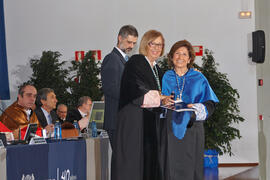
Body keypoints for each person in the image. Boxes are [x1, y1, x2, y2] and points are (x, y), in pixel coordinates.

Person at [112, 30, 171, 180]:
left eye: (160, 45)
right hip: (134, 120)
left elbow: (167, 89)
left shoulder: (156, 68)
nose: (157, 48)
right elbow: (137, 89)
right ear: (145, 44)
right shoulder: (137, 61)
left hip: (148, 121)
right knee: (132, 163)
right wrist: (161, 98)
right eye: (153, 44)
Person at [161, 40, 219, 180]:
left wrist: (195, 109)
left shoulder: (199, 77)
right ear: (171, 56)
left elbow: (211, 103)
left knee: (191, 167)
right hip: (170, 129)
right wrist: (163, 101)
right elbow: (160, 100)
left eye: (184, 54)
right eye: (177, 53)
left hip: (192, 128)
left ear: (190, 58)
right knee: (171, 166)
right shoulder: (166, 77)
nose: (180, 57)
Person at [101, 25, 138, 149]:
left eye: (134, 43)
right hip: (116, 121)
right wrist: (134, 95)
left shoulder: (124, 60)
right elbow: (110, 89)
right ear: (119, 38)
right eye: (129, 42)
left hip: (124, 120)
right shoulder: (112, 58)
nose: (131, 46)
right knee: (121, 162)